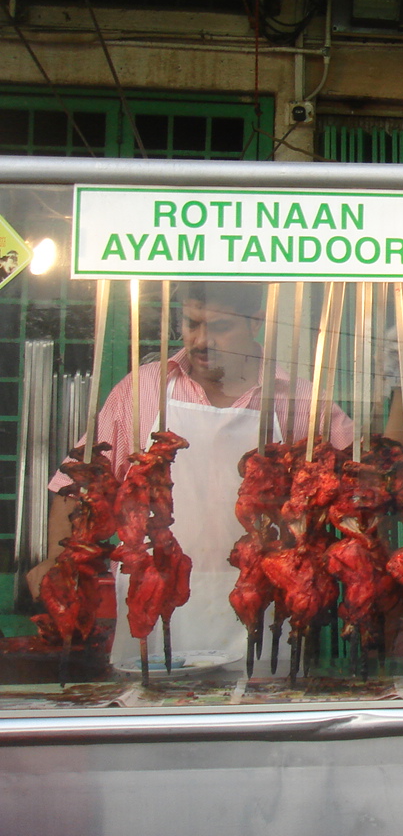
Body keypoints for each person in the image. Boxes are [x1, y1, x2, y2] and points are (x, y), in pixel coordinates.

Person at [29, 281, 353, 667]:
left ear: (255, 322)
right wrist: (58, 560)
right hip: (152, 591)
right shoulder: (142, 389)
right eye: (191, 324)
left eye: (220, 327)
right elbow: (76, 486)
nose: (201, 341)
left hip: (265, 596)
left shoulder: (300, 400)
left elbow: (358, 479)